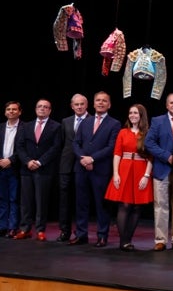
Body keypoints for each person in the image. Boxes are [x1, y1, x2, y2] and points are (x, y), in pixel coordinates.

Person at [69, 91, 121, 247]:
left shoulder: (114, 123)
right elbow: (75, 143)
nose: (100, 103)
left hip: (101, 169)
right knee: (81, 203)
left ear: (109, 104)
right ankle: (81, 234)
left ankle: (102, 235)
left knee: (101, 204)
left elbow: (111, 147)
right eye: (98, 100)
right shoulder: (85, 121)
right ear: (93, 103)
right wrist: (83, 159)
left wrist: (93, 158)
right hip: (82, 168)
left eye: (104, 101)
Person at [144, 92, 173, 251]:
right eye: (171, 103)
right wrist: (166, 156)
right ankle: (161, 239)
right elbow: (149, 143)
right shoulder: (157, 121)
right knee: (161, 205)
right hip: (162, 168)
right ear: (166, 105)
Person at [104, 104, 154, 251]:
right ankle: (124, 241)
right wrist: (116, 173)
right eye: (130, 112)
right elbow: (117, 153)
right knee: (124, 205)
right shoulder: (122, 132)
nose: (132, 115)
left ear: (141, 115)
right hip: (124, 169)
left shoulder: (148, 133)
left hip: (141, 170)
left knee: (137, 207)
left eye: (136, 113)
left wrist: (146, 175)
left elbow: (151, 157)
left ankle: (128, 239)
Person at [13, 99, 62, 241]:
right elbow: (19, 146)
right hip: (26, 168)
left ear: (50, 110)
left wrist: (40, 162)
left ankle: (40, 230)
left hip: (44, 169)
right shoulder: (25, 126)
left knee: (41, 201)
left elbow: (55, 148)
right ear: (35, 109)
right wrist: (28, 161)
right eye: (39, 106)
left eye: (45, 107)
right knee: (26, 201)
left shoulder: (56, 127)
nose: (42, 109)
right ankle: (25, 229)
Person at [56, 93, 89, 242]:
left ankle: (81, 232)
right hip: (66, 166)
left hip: (84, 165)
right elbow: (62, 144)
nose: (79, 107)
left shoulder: (93, 120)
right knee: (64, 200)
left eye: (82, 104)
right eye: (76, 104)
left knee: (81, 201)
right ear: (72, 106)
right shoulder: (65, 121)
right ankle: (65, 231)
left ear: (87, 105)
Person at [0, 101, 23, 238]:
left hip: (16, 168)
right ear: (5, 112)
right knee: (2, 199)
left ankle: (13, 227)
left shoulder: (24, 128)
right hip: (1, 168)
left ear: (20, 112)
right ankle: (2, 226)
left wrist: (11, 160)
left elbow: (24, 149)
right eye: (8, 109)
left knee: (14, 199)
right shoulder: (1, 127)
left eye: (14, 109)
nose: (11, 111)